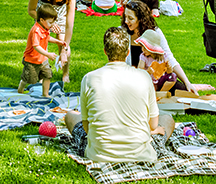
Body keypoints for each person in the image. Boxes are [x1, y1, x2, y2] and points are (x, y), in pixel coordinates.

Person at [63, 27, 174, 163]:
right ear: (127, 53)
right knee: (167, 119)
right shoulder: (144, 77)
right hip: (141, 155)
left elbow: (86, 127)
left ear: (105, 51)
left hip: (99, 155)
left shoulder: (89, 78)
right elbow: (153, 124)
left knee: (70, 115)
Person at [121, 0, 198, 94]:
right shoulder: (122, 33)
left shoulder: (155, 33)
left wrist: (187, 82)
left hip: (158, 80)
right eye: (125, 17)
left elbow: (170, 58)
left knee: (183, 93)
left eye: (130, 18)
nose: (126, 21)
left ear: (140, 19)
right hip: (134, 81)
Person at [28, 0, 75, 84]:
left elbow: (69, 26)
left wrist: (64, 50)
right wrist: (45, 21)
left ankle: (65, 74)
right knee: (41, 44)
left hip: (60, 11)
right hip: (43, 12)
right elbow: (31, 10)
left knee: (63, 43)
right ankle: (41, 73)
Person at [19, 3, 67, 96]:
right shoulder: (36, 30)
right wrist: (48, 54)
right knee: (29, 78)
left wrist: (58, 41)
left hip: (43, 60)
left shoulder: (45, 28)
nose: (52, 25)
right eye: (50, 22)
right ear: (41, 20)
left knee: (47, 75)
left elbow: (47, 38)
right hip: (31, 60)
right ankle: (20, 89)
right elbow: (36, 46)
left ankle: (45, 94)